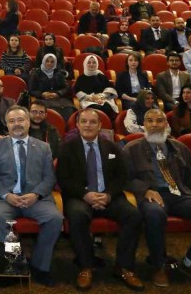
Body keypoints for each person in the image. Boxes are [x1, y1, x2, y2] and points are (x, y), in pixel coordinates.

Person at [122, 109, 191, 288]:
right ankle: (159, 266)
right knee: (155, 215)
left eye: (159, 121)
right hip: (152, 194)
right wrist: (145, 190)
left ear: (166, 124)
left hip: (179, 193)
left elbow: (190, 179)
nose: (154, 125)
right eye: (150, 121)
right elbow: (124, 179)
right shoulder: (131, 149)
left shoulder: (180, 148)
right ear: (144, 125)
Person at [58, 108, 144, 290]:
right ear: (77, 125)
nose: (88, 125)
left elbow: (122, 176)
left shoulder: (112, 147)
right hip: (80, 196)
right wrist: (85, 195)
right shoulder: (67, 148)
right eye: (84, 121)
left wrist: (108, 195)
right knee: (77, 215)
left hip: (108, 196)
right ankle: (86, 266)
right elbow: (63, 179)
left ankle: (124, 267)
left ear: (99, 126)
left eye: (92, 122)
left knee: (133, 215)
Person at [0, 105, 62, 287]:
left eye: (20, 120)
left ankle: (40, 266)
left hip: (36, 199)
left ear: (28, 122)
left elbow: (49, 177)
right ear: (6, 125)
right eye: (12, 121)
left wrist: (36, 194)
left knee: (55, 218)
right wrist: (6, 195)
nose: (16, 124)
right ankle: (15, 262)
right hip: (5, 199)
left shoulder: (43, 147)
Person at [29, 53, 77, 122]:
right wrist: (42, 94)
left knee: (69, 109)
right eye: (47, 61)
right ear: (43, 61)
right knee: (51, 110)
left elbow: (66, 87)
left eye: (52, 62)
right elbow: (31, 90)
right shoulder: (36, 74)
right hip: (43, 99)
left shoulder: (59, 73)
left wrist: (58, 93)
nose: (49, 63)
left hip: (59, 98)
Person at [73, 54, 118, 120]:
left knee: (107, 107)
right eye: (89, 62)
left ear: (97, 64)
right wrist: (92, 98)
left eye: (94, 62)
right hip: (88, 100)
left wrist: (101, 97)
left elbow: (109, 88)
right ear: (85, 64)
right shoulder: (81, 78)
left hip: (103, 99)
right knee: (96, 108)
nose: (91, 64)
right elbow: (78, 92)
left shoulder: (101, 76)